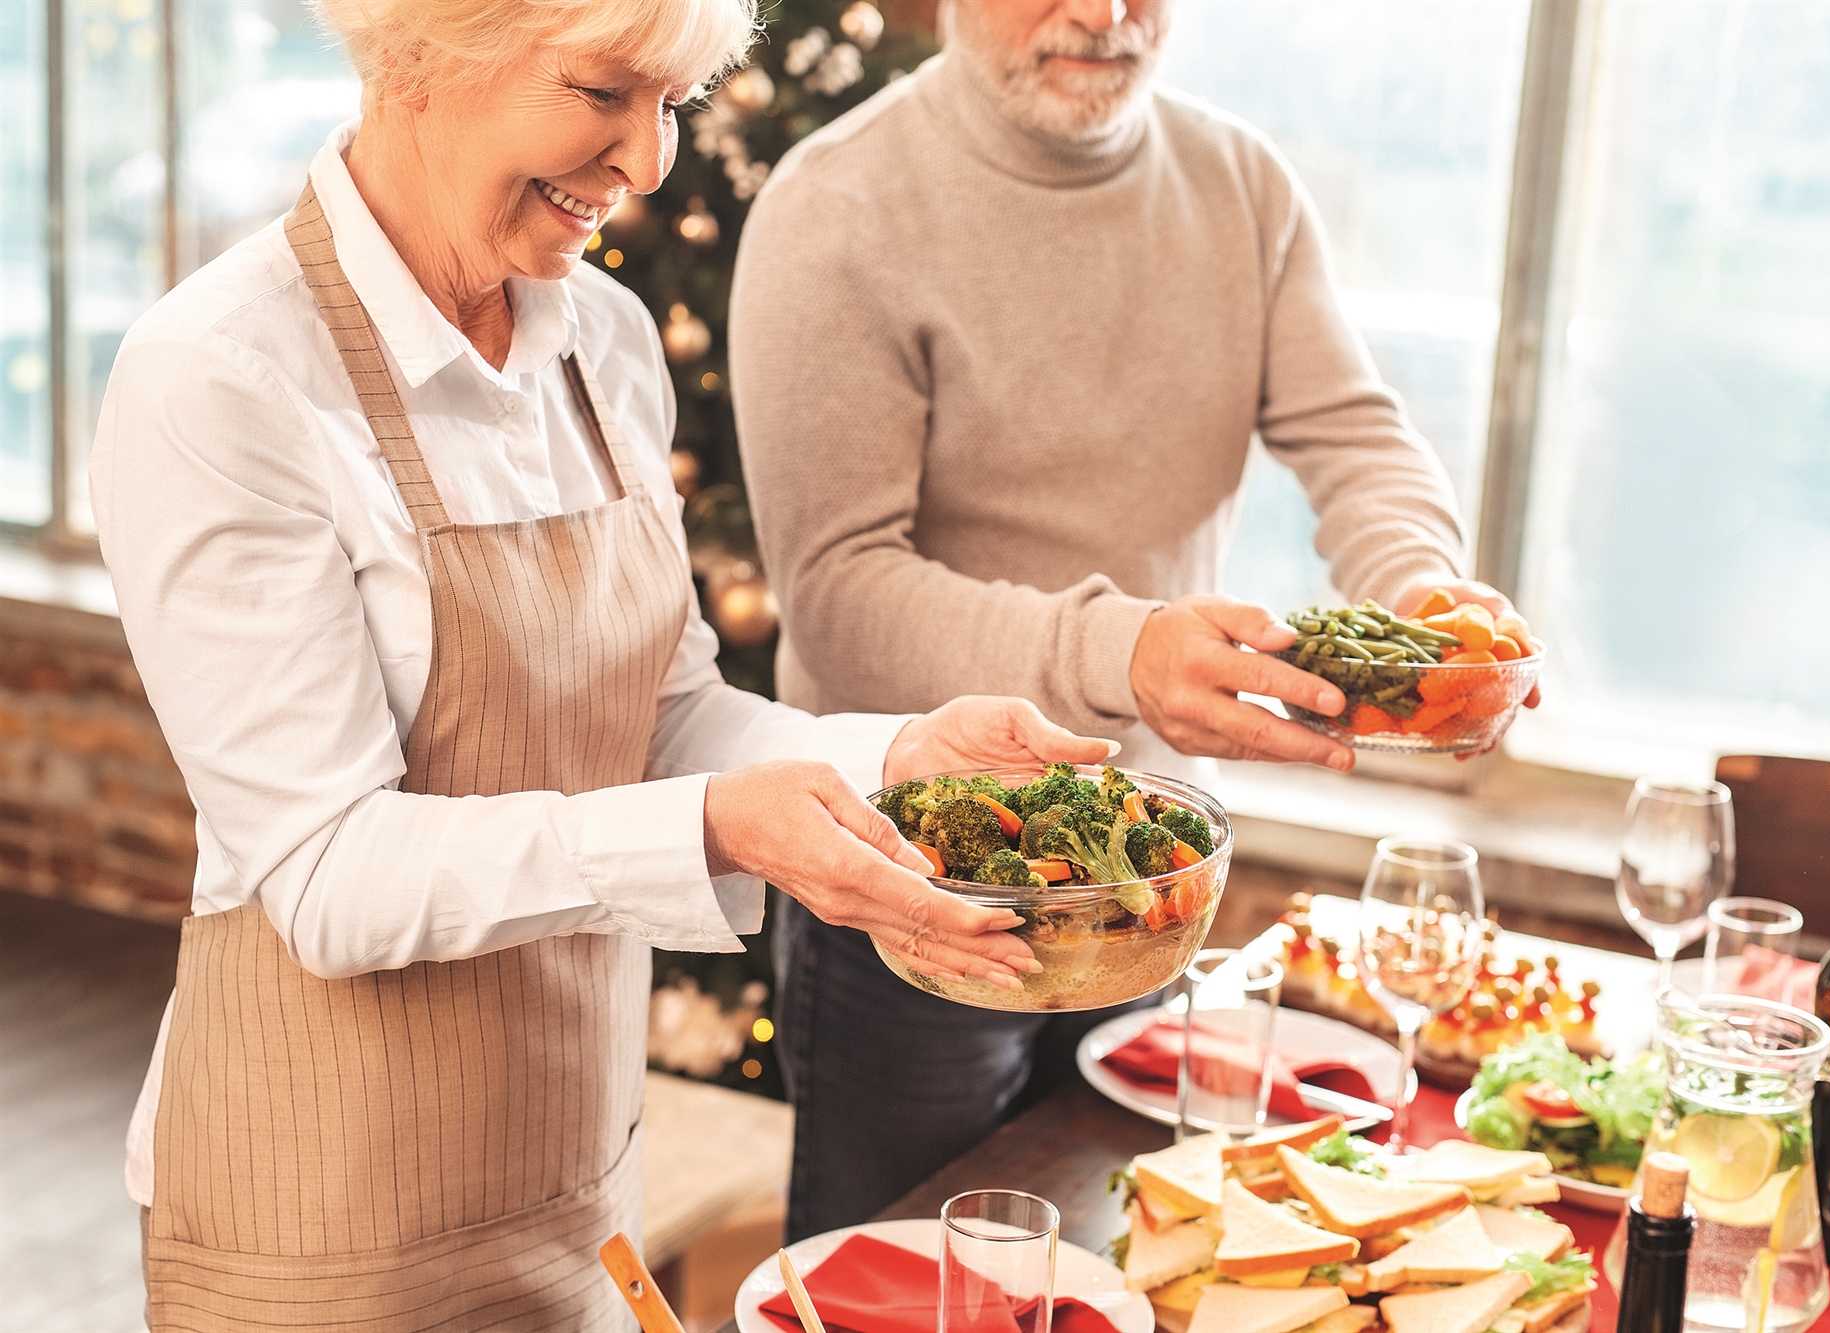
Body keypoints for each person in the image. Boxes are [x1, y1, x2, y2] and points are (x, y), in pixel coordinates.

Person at [91, 0, 1111, 1326]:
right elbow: (327, 875)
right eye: (601, 92)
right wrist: (716, 828)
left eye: (672, 105)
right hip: (321, 1218)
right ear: (416, 51)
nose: (647, 160)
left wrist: (900, 758)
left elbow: (665, 711)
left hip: (573, 1175)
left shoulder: (606, 339)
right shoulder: (222, 376)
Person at [732, 0, 1529, 1239]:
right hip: (918, 871)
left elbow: (1354, 437)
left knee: (1112, 1256)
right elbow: (839, 593)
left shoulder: (1241, 185)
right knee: (905, 1283)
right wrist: (1121, 651)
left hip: (1156, 871)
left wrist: (1422, 599)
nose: (1104, 15)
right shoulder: (834, 205)